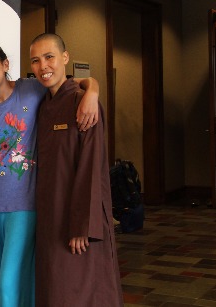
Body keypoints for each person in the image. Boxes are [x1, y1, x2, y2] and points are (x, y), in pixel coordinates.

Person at [0, 39, 99, 307]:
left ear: (5, 65)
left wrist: (93, 92)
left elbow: (77, 83)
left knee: (10, 281)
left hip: (25, 205)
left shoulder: (32, 89)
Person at [29, 33, 123, 306]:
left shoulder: (83, 103)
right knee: (53, 288)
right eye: (35, 60)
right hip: (49, 215)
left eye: (50, 57)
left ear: (65, 58)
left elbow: (92, 168)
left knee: (82, 289)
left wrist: (83, 225)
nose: (43, 66)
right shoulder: (42, 104)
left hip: (78, 218)